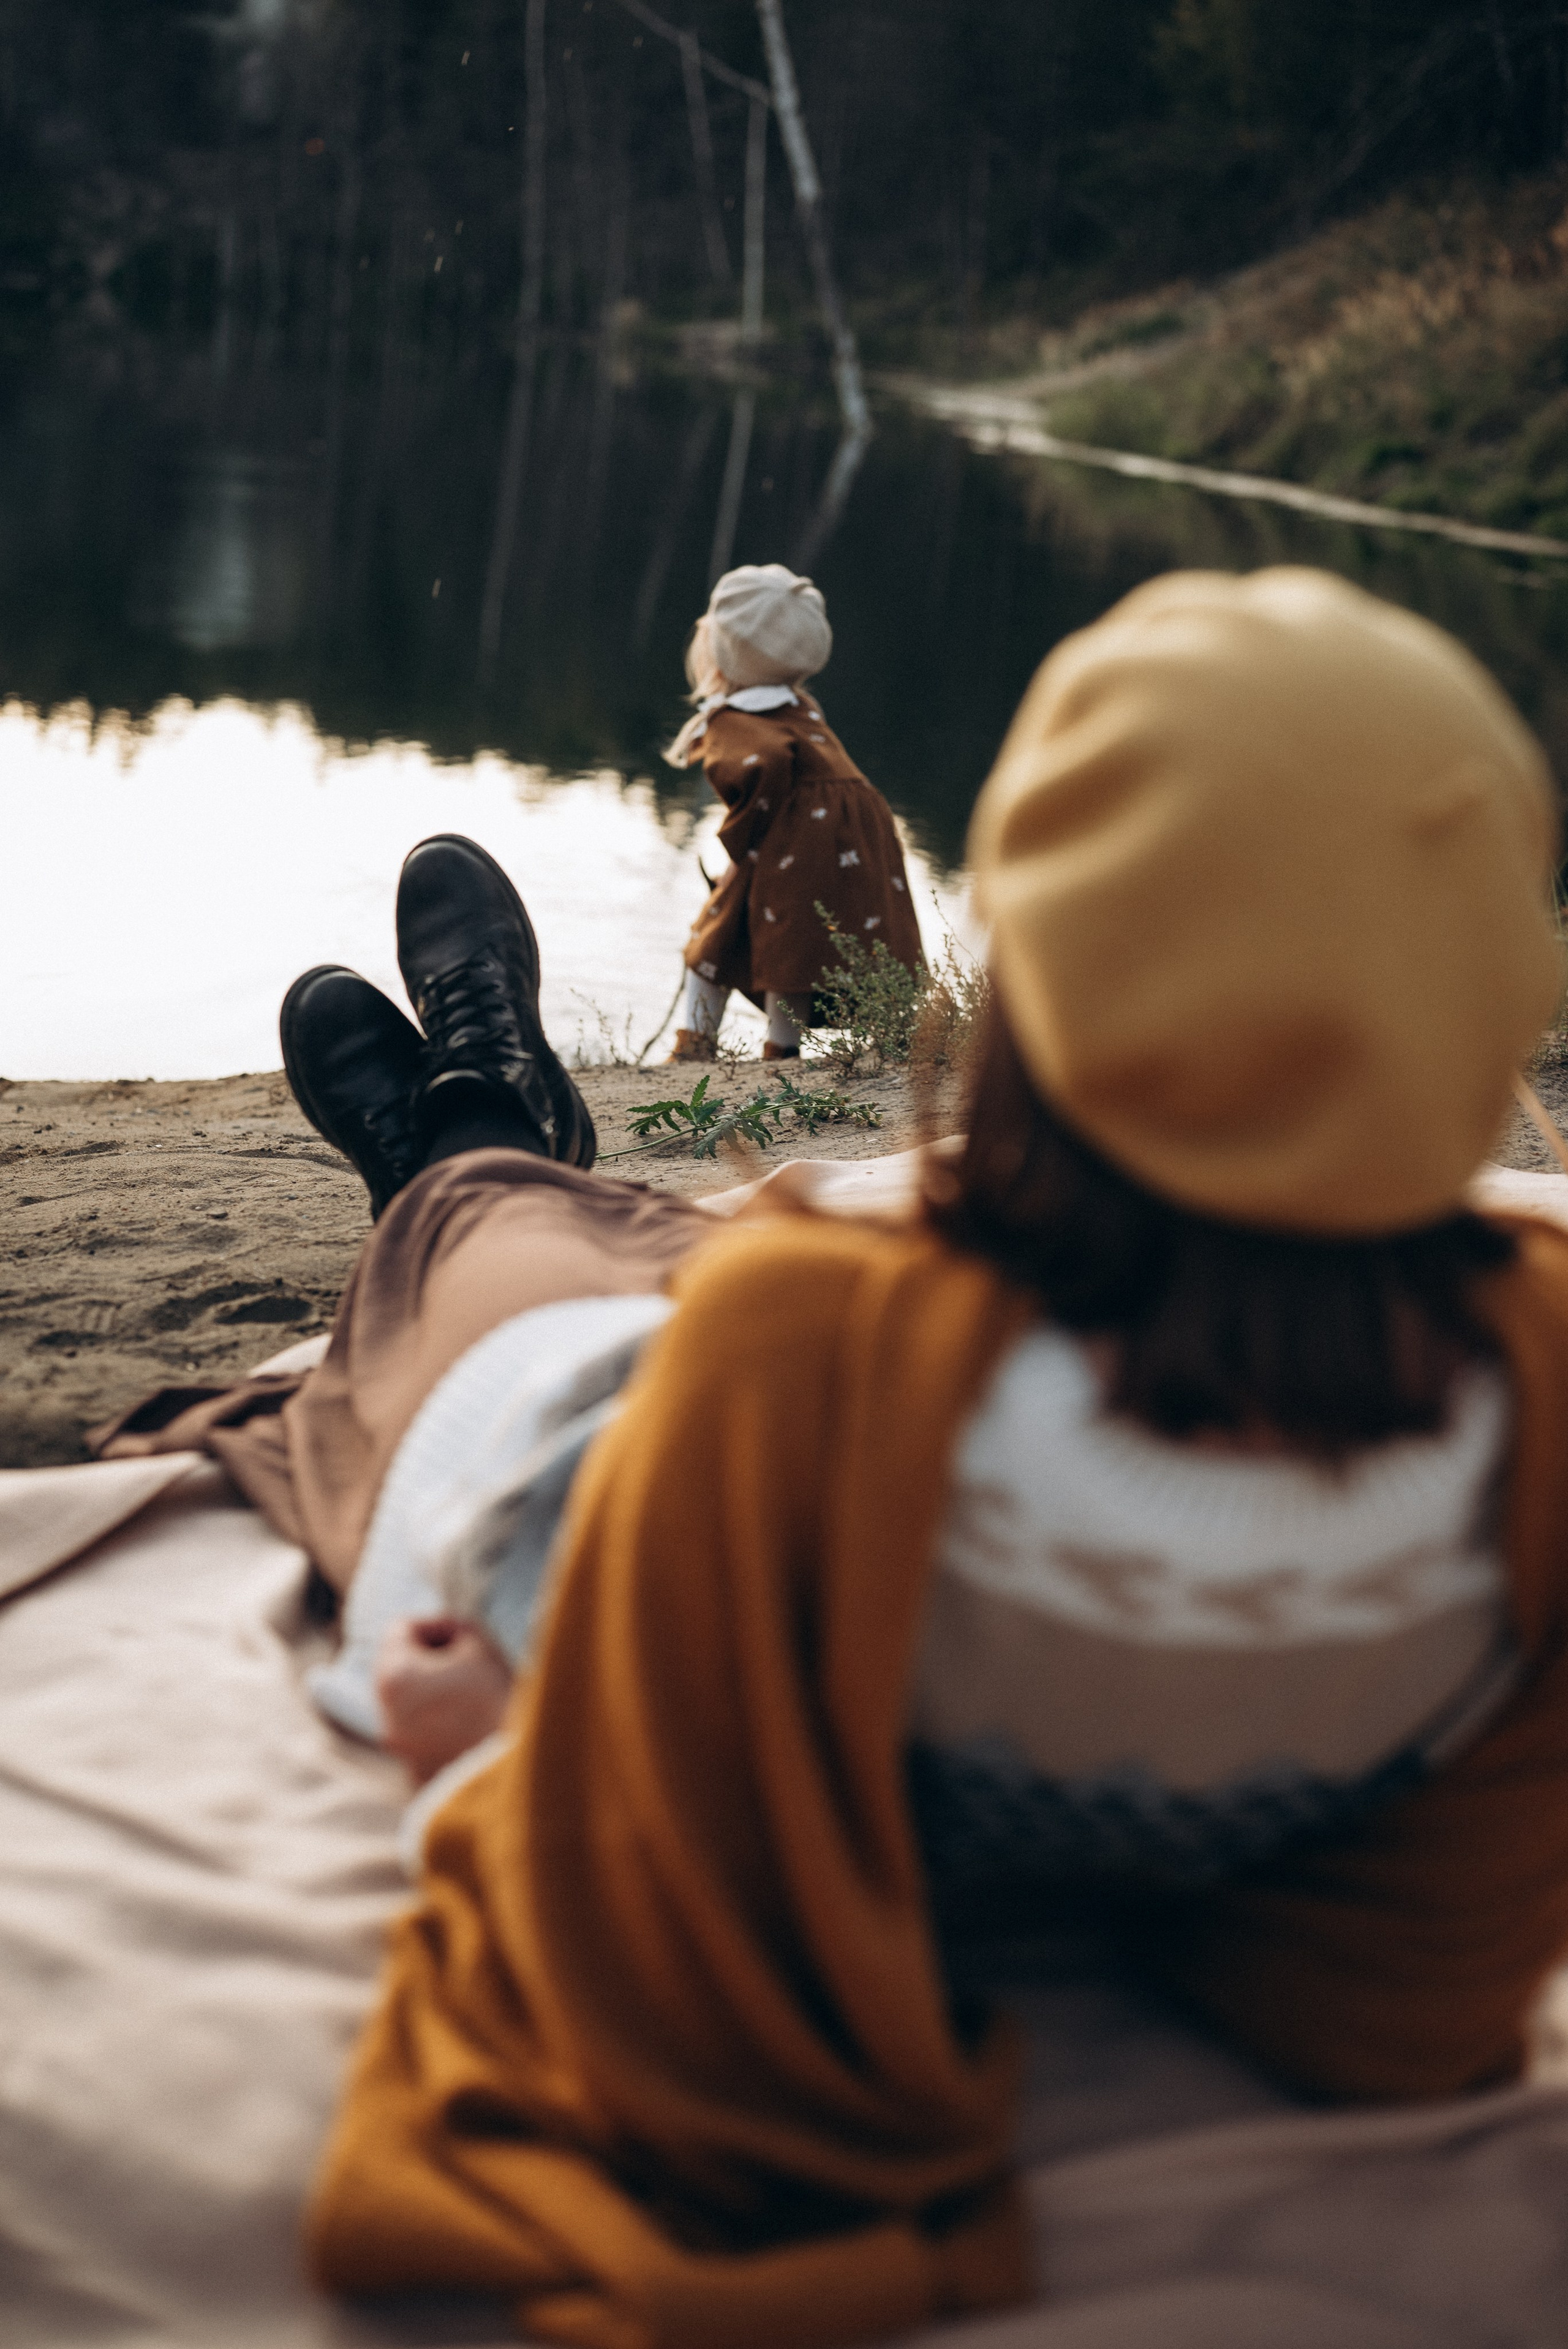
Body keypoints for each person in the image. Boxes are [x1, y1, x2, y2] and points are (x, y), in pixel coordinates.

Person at [95, 570, 1568, 2349]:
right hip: (820, 1469)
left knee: (496, 1255)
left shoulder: (810, 1362)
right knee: (686, 1255)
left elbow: (648, 1917)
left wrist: (484, 1760)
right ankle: (504, 1121)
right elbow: (1399, 1990)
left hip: (614, 1535)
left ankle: (466, 1133)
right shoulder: (1536, 1403)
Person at [661, 561, 924, 1059]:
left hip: (793, 841)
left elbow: (762, 777)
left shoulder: (735, 718)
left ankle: (697, 1046)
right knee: (799, 949)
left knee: (711, 943)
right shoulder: (801, 706)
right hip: (857, 839)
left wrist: (738, 850)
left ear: (721, 652)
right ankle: (783, 1051)